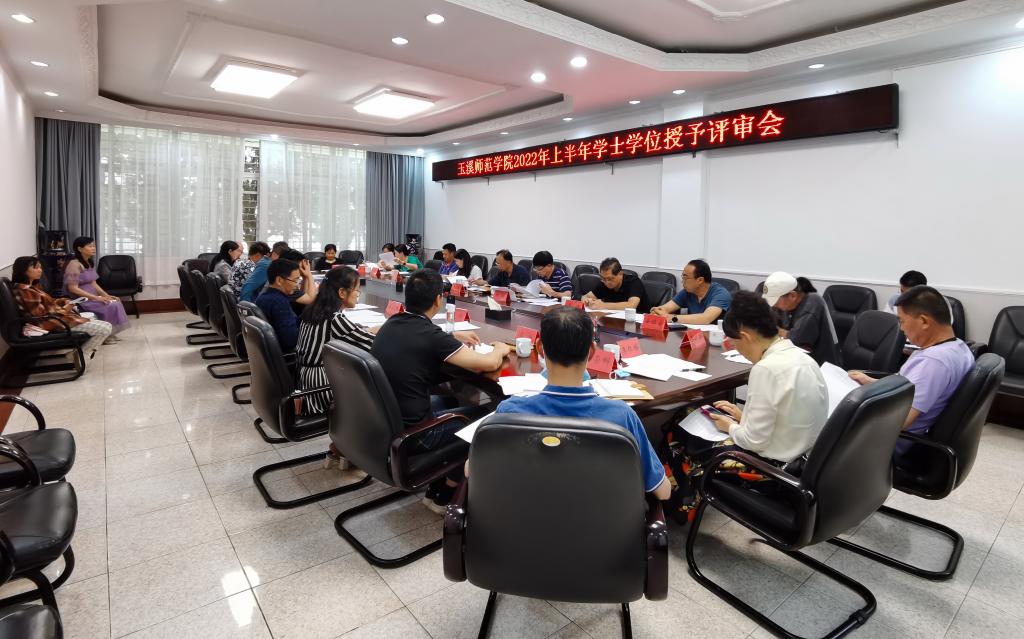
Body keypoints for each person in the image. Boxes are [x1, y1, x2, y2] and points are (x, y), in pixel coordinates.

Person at [484, 306, 670, 500]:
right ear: (592, 351)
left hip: (524, 516)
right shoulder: (622, 417)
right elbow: (663, 492)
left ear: (539, 348)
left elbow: (471, 469)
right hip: (600, 519)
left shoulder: (509, 411)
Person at [372, 269, 512, 513]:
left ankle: (439, 480)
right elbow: (489, 364)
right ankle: (446, 493)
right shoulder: (430, 335)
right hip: (415, 435)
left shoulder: (392, 323)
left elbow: (424, 338)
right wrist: (500, 349)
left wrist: (450, 335)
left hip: (387, 420)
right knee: (486, 418)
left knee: (450, 401)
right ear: (439, 299)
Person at [850, 285, 973, 453]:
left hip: (889, 445)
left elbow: (900, 420)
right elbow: (907, 385)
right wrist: (870, 382)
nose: (901, 328)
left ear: (924, 321)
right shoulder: (959, 347)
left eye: (902, 321)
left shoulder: (933, 362)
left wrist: (855, 413)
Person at [296, 267, 377, 415]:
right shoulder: (335, 319)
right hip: (323, 387)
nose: (358, 294)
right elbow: (374, 344)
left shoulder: (313, 310)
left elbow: (353, 333)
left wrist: (369, 330)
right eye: (357, 290)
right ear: (342, 292)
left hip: (306, 381)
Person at [11, 256, 113, 365]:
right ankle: (82, 355)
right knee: (106, 328)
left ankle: (77, 354)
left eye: (40, 267)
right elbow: (41, 316)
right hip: (53, 324)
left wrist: (63, 301)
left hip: (55, 320)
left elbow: (47, 303)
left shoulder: (32, 287)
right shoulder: (27, 291)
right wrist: (66, 309)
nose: (40, 270)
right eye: (35, 268)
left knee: (92, 316)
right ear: (23, 270)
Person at [761, 271, 840, 366]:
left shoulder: (813, 302)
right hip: (796, 359)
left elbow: (796, 339)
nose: (774, 305)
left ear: (792, 295)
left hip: (820, 365)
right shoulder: (785, 305)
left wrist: (777, 330)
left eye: (776, 301)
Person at [64, 236, 130, 337]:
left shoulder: (89, 263)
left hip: (92, 297)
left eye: (94, 246)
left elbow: (93, 283)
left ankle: (109, 333)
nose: (93, 248)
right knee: (111, 305)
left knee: (115, 302)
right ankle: (103, 334)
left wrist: (106, 296)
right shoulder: (74, 264)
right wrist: (96, 298)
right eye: (90, 246)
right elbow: (72, 288)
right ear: (80, 249)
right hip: (82, 300)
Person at [650, 259, 731, 324]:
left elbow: (706, 318)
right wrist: (657, 311)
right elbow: (666, 308)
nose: (682, 281)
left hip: (715, 336)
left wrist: (671, 317)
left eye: (685, 278)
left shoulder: (721, 294)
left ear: (700, 280)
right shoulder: (687, 291)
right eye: (683, 277)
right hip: (693, 335)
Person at [255, 259, 302, 352]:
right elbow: (290, 340)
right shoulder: (279, 302)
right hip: (287, 353)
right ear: (279, 280)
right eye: (295, 280)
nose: (297, 285)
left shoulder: (264, 296)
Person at [582, 257, 650, 312]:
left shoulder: (634, 282)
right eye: (603, 278)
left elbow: (631, 306)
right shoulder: (604, 283)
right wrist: (586, 300)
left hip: (639, 319)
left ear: (620, 274)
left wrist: (602, 305)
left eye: (610, 279)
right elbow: (586, 296)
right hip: (614, 319)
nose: (606, 282)